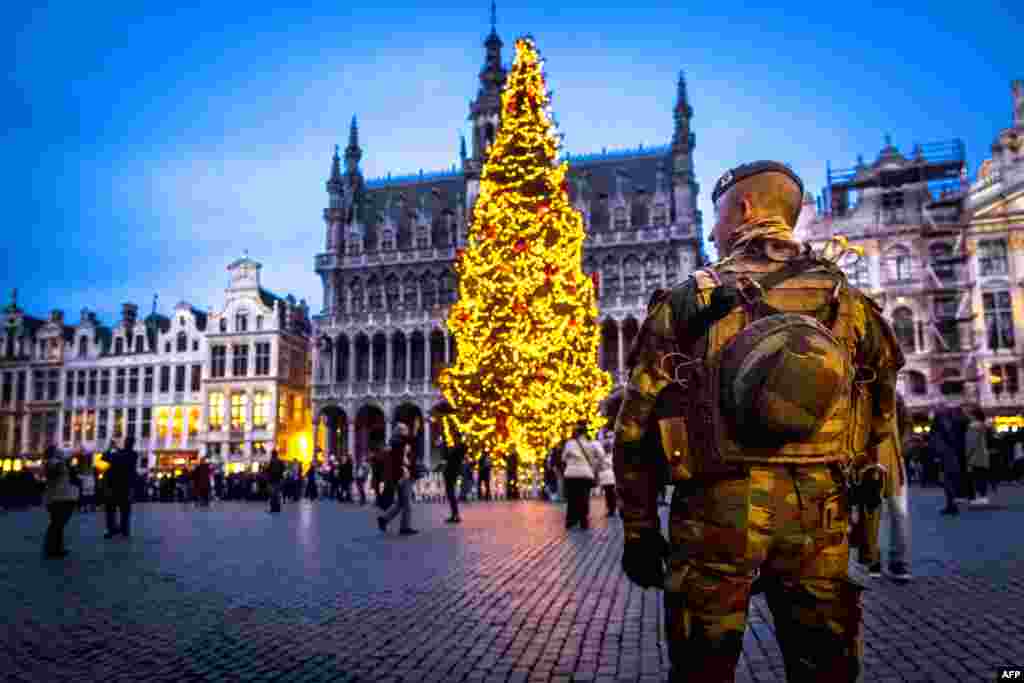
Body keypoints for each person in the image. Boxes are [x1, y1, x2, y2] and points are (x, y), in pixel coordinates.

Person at [614, 161, 904, 682]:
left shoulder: (688, 300)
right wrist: (865, 520)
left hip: (714, 515)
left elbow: (634, 428)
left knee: (702, 670)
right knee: (825, 671)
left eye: (716, 217)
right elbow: (882, 421)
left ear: (743, 209)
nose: (710, 233)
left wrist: (639, 531)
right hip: (822, 514)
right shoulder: (851, 305)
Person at [378, 422, 418, 535]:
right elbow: (396, 462)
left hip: (403, 474)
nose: (407, 431)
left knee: (401, 502)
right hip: (402, 475)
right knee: (407, 504)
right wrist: (400, 476)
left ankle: (384, 519)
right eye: (405, 429)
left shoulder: (397, 441)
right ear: (401, 431)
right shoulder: (397, 442)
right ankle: (405, 527)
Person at [929, 402, 968, 515]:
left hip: (946, 453)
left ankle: (951, 505)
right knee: (949, 479)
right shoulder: (949, 419)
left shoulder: (942, 419)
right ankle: (951, 504)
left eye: (938, 408)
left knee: (948, 479)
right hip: (949, 452)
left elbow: (945, 436)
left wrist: (938, 451)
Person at [42, 446, 78, 558]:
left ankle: (56, 547)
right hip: (58, 497)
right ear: (54, 453)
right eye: (58, 451)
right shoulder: (53, 462)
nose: (61, 452)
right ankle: (52, 548)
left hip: (59, 496)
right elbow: (53, 473)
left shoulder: (57, 462)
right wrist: (64, 462)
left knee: (58, 523)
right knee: (57, 523)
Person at [562, 421, 598, 530]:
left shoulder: (569, 443)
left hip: (571, 474)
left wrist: (571, 460)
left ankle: (570, 521)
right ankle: (583, 521)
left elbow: (563, 458)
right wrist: (594, 466)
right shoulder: (590, 444)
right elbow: (598, 457)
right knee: (584, 497)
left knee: (572, 498)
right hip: (585, 474)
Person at [101, 436, 139, 538]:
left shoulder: (129, 454)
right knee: (122, 510)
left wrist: (111, 449)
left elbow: (107, 459)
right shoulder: (130, 454)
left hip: (117, 485)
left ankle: (114, 529)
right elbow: (106, 460)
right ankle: (122, 529)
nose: (126, 443)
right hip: (122, 486)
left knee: (113, 510)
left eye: (127, 441)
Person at [965, 405, 992, 506]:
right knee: (982, 476)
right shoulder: (983, 425)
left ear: (974, 416)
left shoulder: (973, 426)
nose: (969, 416)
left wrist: (967, 455)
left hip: (975, 455)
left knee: (977, 477)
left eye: (970, 415)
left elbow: (970, 443)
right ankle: (983, 496)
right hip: (983, 454)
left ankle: (981, 497)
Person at [440, 422, 466, 523]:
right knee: (450, 494)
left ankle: (455, 515)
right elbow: (446, 456)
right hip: (449, 472)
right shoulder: (455, 447)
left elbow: (450, 457)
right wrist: (444, 446)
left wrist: (446, 447)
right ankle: (454, 514)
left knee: (451, 494)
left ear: (458, 438)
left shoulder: (461, 447)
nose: (454, 440)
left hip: (452, 472)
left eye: (456, 438)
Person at [596, 427, 617, 518]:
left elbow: (599, 466)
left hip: (605, 478)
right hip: (612, 477)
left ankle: (610, 509)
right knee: (612, 494)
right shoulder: (614, 456)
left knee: (609, 495)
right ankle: (612, 509)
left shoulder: (603, 457)